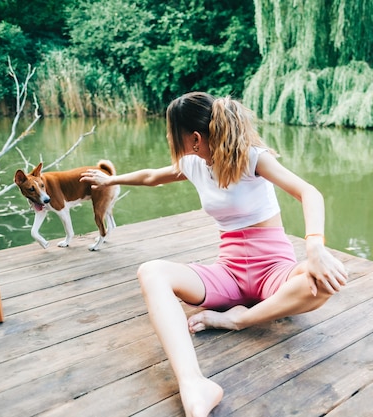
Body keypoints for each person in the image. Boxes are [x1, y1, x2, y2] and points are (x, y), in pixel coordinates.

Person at [80, 92, 348, 417]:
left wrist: (315, 247)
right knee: (152, 272)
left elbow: (309, 192)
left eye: (172, 134)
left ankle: (238, 319)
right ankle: (193, 383)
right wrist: (111, 179)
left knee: (322, 282)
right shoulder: (194, 164)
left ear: (193, 138)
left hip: (274, 274)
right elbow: (152, 177)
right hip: (229, 276)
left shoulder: (253, 158)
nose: (169, 140)